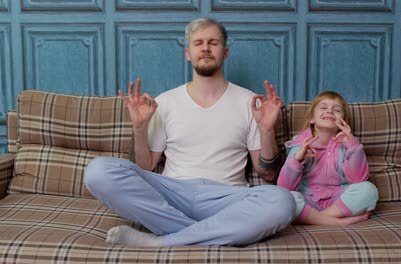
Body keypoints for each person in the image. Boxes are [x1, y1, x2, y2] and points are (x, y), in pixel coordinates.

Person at [83, 17, 295, 247]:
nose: (205, 48)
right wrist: (140, 128)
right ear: (188, 53)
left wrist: (266, 129)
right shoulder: (165, 102)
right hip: (173, 194)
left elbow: (269, 175)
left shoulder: (249, 103)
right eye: (198, 43)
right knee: (98, 171)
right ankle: (200, 234)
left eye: (213, 42)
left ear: (225, 53)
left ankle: (162, 241)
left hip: (226, 198)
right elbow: (144, 167)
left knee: (283, 201)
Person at [278, 91, 378, 226]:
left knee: (368, 189)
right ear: (312, 119)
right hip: (308, 199)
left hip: (336, 201)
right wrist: (297, 159)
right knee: (286, 198)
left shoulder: (347, 145)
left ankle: (318, 219)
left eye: (337, 110)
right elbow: (285, 187)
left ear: (343, 121)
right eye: (323, 107)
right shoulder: (301, 145)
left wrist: (353, 146)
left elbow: (358, 180)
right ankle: (338, 223)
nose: (330, 111)